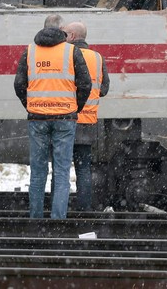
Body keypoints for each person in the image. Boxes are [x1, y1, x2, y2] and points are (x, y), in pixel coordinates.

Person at [13, 15, 90, 219]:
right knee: (62, 172)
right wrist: (74, 108)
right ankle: (58, 221)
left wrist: (31, 105)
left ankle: (36, 219)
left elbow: (19, 85)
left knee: (38, 172)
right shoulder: (72, 51)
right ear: (62, 30)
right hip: (65, 118)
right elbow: (85, 85)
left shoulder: (29, 51)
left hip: (37, 118)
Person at [62, 21, 109, 211]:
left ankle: (60, 210)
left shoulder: (65, 56)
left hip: (66, 120)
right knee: (83, 169)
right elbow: (104, 89)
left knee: (61, 168)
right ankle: (84, 210)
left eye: (64, 33)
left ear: (72, 36)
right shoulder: (97, 58)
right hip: (88, 122)